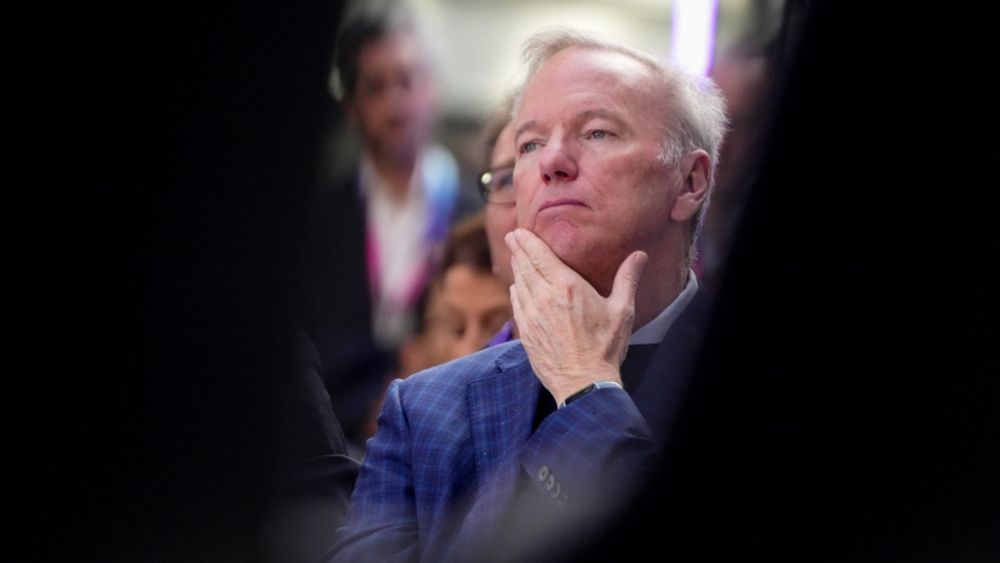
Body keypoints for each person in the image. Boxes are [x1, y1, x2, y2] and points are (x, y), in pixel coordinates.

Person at [332, 28, 727, 562]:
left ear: (690, 182)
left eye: (598, 133)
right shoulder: (423, 411)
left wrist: (585, 390)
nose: (551, 161)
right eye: (530, 144)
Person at [306, 0, 473, 449]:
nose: (395, 103)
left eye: (407, 80)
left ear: (432, 88)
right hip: (336, 439)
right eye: (376, 86)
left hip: (445, 435)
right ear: (352, 106)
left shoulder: (473, 211)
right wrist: (365, 409)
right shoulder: (321, 218)